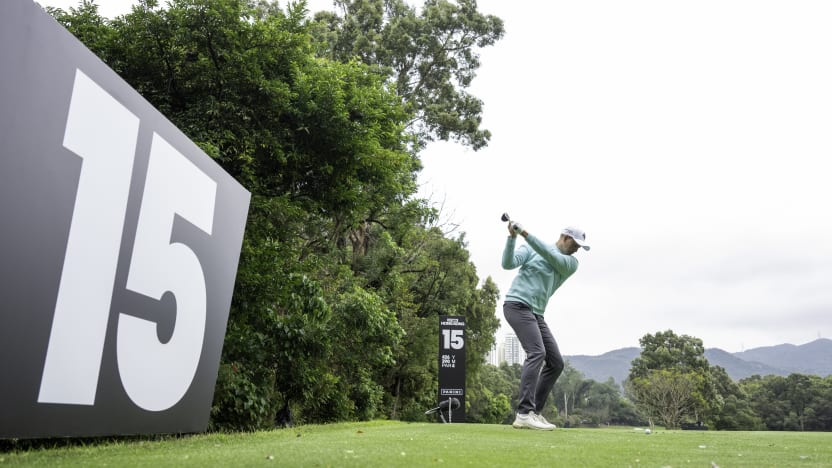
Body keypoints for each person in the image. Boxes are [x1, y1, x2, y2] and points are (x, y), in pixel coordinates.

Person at [501, 219, 590, 430]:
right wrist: (513, 238)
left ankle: (534, 412)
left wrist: (524, 232)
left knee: (556, 362)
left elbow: (549, 254)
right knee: (536, 353)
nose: (577, 250)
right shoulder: (531, 248)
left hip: (536, 314)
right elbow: (507, 264)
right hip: (516, 305)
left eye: (579, 247)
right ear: (565, 237)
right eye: (575, 245)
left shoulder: (570, 263)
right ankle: (523, 413)